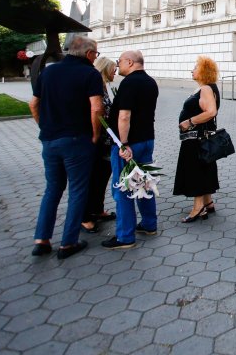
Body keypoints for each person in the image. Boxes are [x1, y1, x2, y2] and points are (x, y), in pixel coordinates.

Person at [29, 36, 103, 259]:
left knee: (52, 189)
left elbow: (33, 103)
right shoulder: (90, 74)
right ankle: (68, 243)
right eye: (96, 54)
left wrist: (44, 126)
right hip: (77, 140)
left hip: (50, 140)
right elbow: (96, 108)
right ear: (89, 54)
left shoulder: (49, 72)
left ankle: (42, 240)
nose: (95, 58)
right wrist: (95, 134)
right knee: (78, 190)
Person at [102, 50, 160, 249]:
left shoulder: (129, 83)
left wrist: (123, 143)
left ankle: (125, 237)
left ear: (130, 62)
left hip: (129, 144)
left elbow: (124, 116)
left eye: (119, 62)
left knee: (125, 188)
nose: (118, 66)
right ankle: (149, 224)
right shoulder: (151, 82)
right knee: (143, 182)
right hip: (146, 140)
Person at [173, 55, 221, 223]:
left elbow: (211, 112)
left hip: (196, 138)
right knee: (204, 168)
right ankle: (208, 202)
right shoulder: (206, 88)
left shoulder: (206, 89)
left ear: (204, 72)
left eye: (195, 68)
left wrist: (189, 121)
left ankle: (198, 207)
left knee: (195, 170)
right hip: (199, 138)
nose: (192, 70)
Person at [80, 57, 117, 234]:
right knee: (93, 178)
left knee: (102, 176)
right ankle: (86, 216)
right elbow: (97, 111)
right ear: (105, 69)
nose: (115, 72)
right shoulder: (96, 86)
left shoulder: (105, 86)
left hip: (107, 141)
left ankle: (98, 209)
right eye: (113, 69)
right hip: (97, 140)